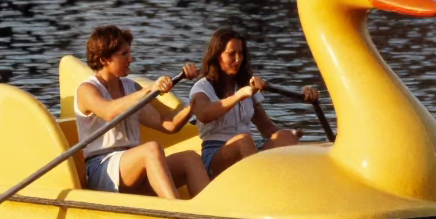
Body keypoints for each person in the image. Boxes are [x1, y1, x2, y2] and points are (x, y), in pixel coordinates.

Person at [75, 25, 208, 199]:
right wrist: (149, 89)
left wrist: (194, 104)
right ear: (104, 59)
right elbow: (108, 111)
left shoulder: (131, 87)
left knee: (189, 159)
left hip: (136, 167)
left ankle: (213, 215)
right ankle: (175, 212)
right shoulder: (86, 89)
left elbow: (168, 123)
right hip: (102, 169)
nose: (130, 59)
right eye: (124, 54)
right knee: (151, 149)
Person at [188, 28, 318, 179]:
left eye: (241, 53)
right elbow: (204, 114)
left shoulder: (245, 85)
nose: (238, 59)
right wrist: (238, 96)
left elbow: (267, 128)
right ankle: (259, 187)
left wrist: (294, 133)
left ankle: (297, 185)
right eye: (231, 54)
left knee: (284, 136)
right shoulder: (202, 87)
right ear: (217, 56)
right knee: (244, 140)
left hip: (248, 147)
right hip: (215, 156)